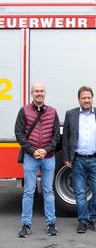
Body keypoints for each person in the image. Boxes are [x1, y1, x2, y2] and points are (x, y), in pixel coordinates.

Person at [63, 86, 96, 234]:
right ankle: (83, 221)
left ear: (92, 98)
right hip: (78, 159)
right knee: (80, 192)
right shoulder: (70, 114)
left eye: (89, 97)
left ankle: (93, 217)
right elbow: (65, 137)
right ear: (79, 99)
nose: (86, 100)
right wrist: (66, 157)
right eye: (83, 98)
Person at [15, 83, 60, 237]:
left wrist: (46, 150)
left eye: (41, 91)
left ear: (45, 93)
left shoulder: (53, 112)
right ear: (31, 93)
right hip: (30, 157)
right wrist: (33, 151)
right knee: (29, 191)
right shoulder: (24, 111)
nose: (39, 93)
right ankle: (26, 225)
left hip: (48, 157)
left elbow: (56, 135)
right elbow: (19, 133)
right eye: (36, 91)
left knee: (48, 191)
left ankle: (51, 224)